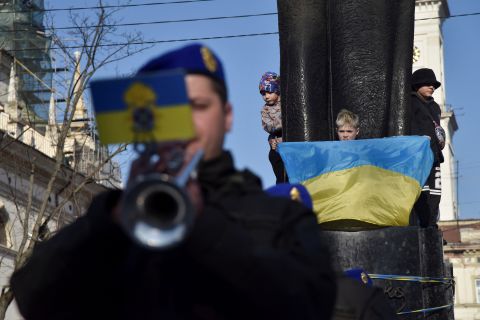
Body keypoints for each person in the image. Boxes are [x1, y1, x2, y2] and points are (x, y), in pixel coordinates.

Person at [10, 44, 336, 320]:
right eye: (172, 108)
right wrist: (108, 221)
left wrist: (207, 225)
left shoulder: (279, 214)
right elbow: (33, 298)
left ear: (227, 116)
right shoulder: (115, 217)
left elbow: (309, 303)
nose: (188, 123)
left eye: (199, 106)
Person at [410, 68, 445, 228]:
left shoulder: (435, 107)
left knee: (435, 193)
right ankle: (422, 225)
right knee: (422, 193)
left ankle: (431, 225)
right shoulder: (410, 103)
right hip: (419, 157)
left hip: (435, 156)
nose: (432, 86)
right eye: (427, 84)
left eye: (433, 84)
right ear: (417, 85)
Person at [259, 71, 288, 183]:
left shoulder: (287, 102)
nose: (266, 96)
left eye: (269, 92)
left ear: (277, 90)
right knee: (281, 178)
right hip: (277, 149)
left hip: (291, 146)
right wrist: (283, 122)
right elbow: (269, 126)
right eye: (263, 94)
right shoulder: (265, 110)